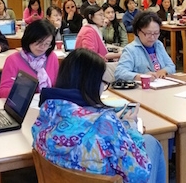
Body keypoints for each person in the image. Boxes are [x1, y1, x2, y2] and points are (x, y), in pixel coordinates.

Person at [32, 48, 166, 183]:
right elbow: (140, 175)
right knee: (151, 142)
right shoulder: (105, 124)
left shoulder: (47, 112)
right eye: (104, 82)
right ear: (92, 83)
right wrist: (130, 127)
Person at [0, 19, 59, 98]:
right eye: (39, 42)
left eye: (47, 44)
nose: (42, 47)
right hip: (23, 105)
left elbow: (57, 86)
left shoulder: (51, 57)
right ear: (29, 39)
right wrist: (21, 90)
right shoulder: (13, 60)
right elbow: (1, 92)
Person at [115, 11, 176, 81]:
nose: (152, 37)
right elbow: (119, 73)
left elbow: (171, 66)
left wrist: (164, 71)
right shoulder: (130, 50)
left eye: (156, 33)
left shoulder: (158, 45)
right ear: (138, 31)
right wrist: (141, 77)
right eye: (148, 33)